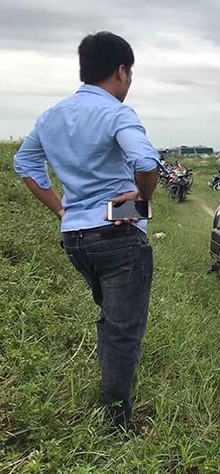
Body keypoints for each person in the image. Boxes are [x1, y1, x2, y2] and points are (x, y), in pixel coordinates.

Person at [13, 31, 160, 434]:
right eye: (130, 75)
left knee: (113, 319)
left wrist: (62, 208)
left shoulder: (51, 116)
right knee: (122, 330)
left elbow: (24, 164)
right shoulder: (116, 113)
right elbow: (147, 162)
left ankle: (115, 380)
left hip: (75, 238)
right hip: (118, 235)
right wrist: (140, 201)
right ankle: (117, 424)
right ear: (122, 71)